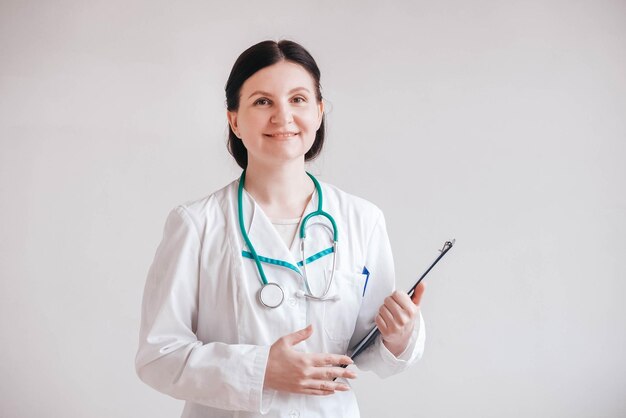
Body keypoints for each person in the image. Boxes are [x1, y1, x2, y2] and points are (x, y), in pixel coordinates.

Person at [135, 39, 426, 418]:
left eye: (299, 99)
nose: (283, 116)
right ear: (234, 119)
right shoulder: (197, 224)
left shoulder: (362, 220)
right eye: (262, 101)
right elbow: (158, 357)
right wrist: (261, 371)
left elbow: (367, 350)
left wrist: (399, 336)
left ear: (320, 112)